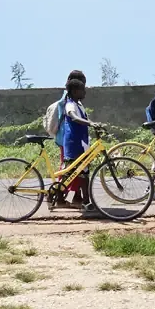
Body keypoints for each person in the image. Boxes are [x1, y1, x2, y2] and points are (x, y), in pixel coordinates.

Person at [59, 78, 103, 211]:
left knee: (81, 172)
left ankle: (84, 200)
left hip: (81, 142)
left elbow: (84, 118)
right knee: (73, 173)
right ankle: (82, 201)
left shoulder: (79, 104)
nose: (85, 92)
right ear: (74, 91)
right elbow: (74, 117)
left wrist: (95, 124)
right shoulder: (70, 104)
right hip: (74, 143)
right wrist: (90, 123)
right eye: (82, 90)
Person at [53, 71, 87, 208]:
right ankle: (57, 196)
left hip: (74, 139)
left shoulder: (74, 100)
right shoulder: (67, 101)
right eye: (82, 85)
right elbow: (72, 117)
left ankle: (77, 197)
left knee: (76, 170)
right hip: (67, 140)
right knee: (69, 170)